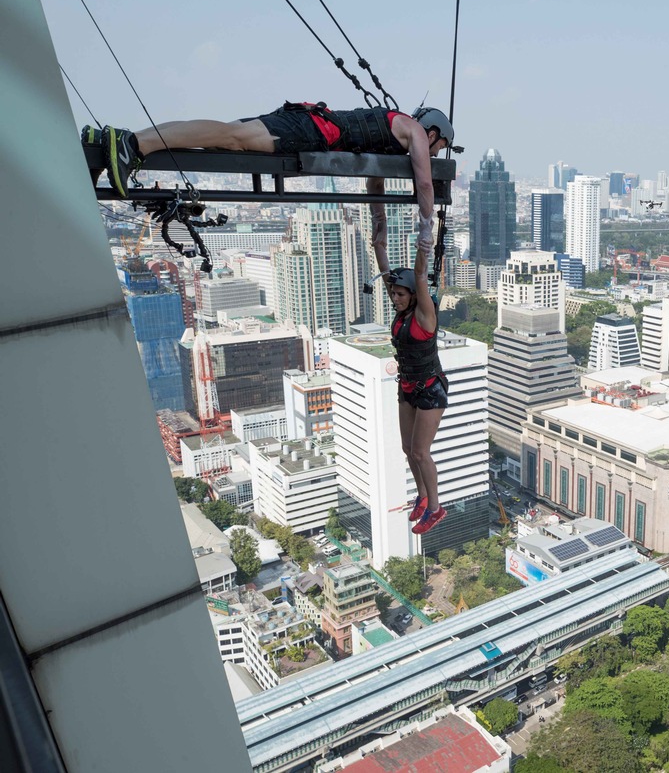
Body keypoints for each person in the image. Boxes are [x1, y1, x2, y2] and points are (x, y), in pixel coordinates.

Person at [93, 103, 453, 199]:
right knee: (229, 137)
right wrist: (425, 231)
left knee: (223, 136)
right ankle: (134, 144)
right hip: (309, 130)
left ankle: (119, 140)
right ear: (433, 131)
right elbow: (424, 184)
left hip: (306, 122)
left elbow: (376, 182)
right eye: (440, 147)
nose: (434, 154)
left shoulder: (392, 130)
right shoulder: (414, 130)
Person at [369, 175, 448, 535]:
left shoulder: (424, 313)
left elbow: (418, 273)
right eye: (395, 294)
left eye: (401, 294)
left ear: (413, 296)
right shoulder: (401, 312)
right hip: (408, 386)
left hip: (430, 388)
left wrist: (425, 225)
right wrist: (378, 220)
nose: (395, 297)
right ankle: (420, 496)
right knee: (406, 448)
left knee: (420, 452)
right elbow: (384, 263)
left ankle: (435, 507)